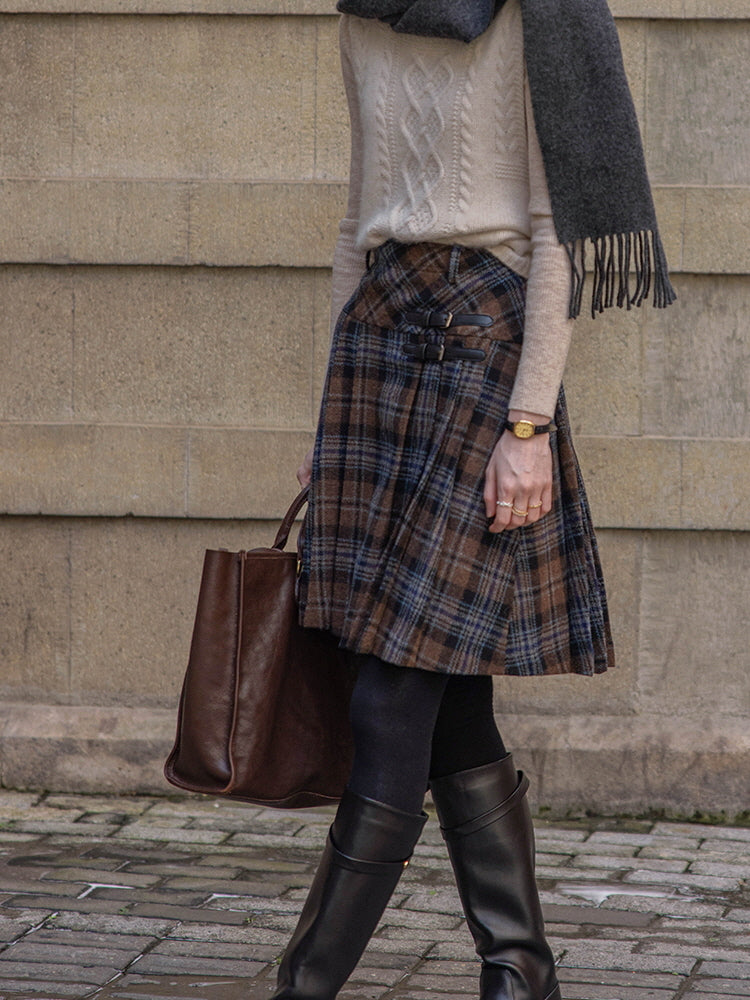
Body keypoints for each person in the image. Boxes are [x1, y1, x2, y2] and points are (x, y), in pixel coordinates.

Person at [273, 1, 675, 998]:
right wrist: (331, 422)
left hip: (480, 350)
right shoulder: (363, 13)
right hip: (379, 338)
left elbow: (557, 234)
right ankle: (520, 966)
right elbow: (353, 217)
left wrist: (529, 425)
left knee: (392, 689)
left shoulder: (543, 16)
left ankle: (304, 985)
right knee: (446, 694)